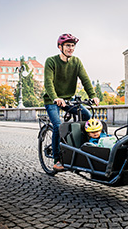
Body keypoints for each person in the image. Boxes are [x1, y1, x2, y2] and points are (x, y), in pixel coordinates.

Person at [43, 33, 100, 171]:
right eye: (68, 45)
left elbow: (85, 79)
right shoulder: (51, 61)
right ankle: (57, 160)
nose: (71, 48)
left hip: (69, 99)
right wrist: (55, 97)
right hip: (52, 100)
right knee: (58, 125)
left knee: (87, 117)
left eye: (73, 45)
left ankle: (83, 149)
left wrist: (93, 95)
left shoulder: (76, 62)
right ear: (60, 47)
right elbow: (48, 82)